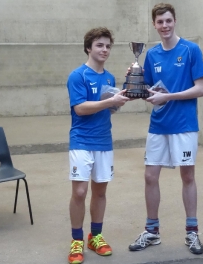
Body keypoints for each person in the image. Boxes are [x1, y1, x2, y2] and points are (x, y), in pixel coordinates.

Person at [128, 3, 203, 255]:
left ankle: (192, 232)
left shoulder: (191, 50)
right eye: (160, 22)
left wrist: (169, 96)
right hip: (159, 125)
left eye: (168, 21)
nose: (164, 26)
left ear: (175, 21)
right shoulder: (150, 55)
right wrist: (134, 80)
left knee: (187, 177)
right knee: (150, 176)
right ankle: (152, 231)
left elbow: (200, 89)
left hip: (184, 125)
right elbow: (148, 91)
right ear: (154, 25)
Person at [66, 27, 129, 264]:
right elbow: (80, 108)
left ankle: (96, 236)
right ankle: (77, 240)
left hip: (104, 141)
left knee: (100, 191)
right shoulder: (78, 76)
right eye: (100, 45)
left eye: (108, 46)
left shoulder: (110, 78)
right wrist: (110, 102)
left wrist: (117, 103)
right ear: (88, 48)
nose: (105, 50)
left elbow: (108, 108)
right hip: (81, 141)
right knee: (80, 192)